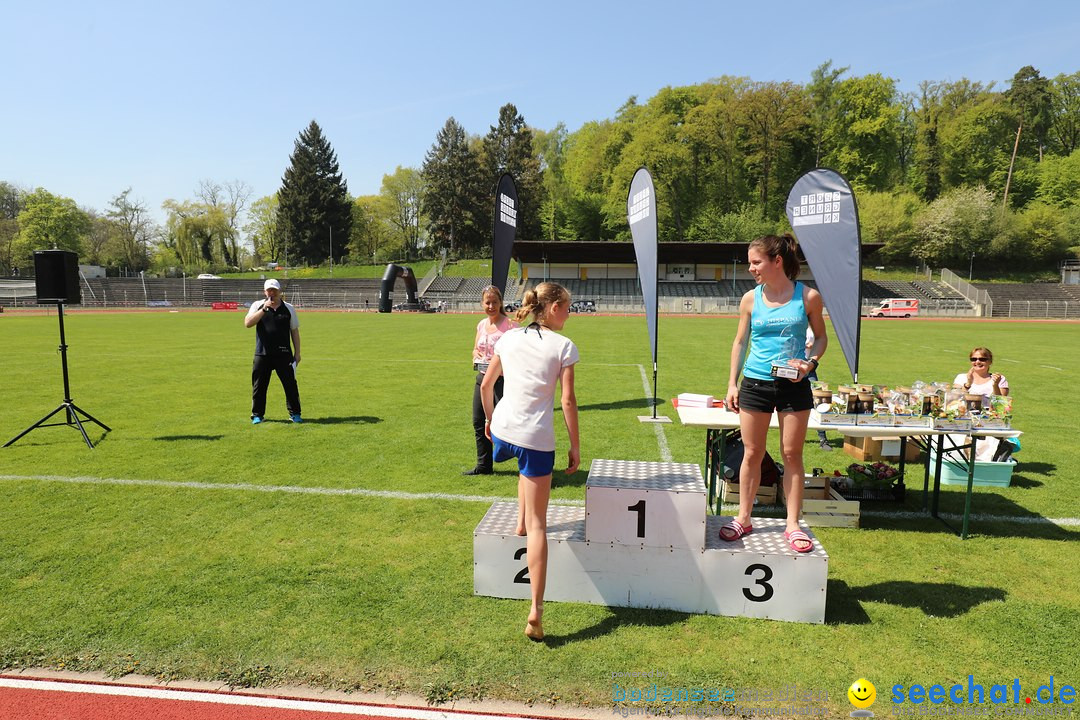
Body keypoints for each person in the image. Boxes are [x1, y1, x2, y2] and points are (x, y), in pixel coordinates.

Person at [481, 282, 580, 641]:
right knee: (542, 524)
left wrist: (491, 421)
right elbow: (567, 402)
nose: (570, 313)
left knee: (524, 475)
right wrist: (575, 447)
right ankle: (535, 611)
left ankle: (519, 523)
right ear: (552, 308)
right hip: (536, 438)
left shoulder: (507, 337)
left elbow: (485, 385)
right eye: (567, 307)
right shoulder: (564, 346)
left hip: (505, 431)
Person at [722, 234, 827, 554]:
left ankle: (793, 524)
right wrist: (732, 383)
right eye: (750, 262)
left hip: (794, 385)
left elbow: (821, 339)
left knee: (792, 454)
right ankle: (744, 517)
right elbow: (740, 343)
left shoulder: (808, 296)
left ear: (777, 261)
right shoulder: (750, 299)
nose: (751, 268)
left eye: (756, 262)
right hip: (755, 383)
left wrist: (809, 364)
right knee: (752, 453)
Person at [465, 286, 519, 475]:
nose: (491, 306)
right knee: (479, 421)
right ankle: (484, 466)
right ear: (482, 303)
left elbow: (517, 354)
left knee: (510, 423)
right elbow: (475, 348)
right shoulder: (481, 325)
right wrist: (475, 355)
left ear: (501, 303)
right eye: (487, 302)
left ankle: (526, 466)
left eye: (494, 302)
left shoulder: (511, 326)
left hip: (503, 381)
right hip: (482, 379)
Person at [244, 278, 302, 424]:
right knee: (259, 386)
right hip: (262, 354)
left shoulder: (288, 308)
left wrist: (297, 353)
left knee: (290, 385)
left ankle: (295, 413)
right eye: (269, 290)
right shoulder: (257, 305)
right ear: (264, 292)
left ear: (279, 291)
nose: (272, 293)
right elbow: (248, 323)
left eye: (274, 290)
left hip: (284, 354)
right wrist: (264, 309)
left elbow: (294, 331)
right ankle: (257, 414)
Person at [953, 347, 1010, 462]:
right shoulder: (961, 377)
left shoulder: (1000, 379)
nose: (977, 362)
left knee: (986, 445)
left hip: (989, 420)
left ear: (990, 361)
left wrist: (995, 385)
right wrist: (968, 383)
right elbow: (954, 400)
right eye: (974, 359)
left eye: (982, 359)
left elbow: (1001, 405)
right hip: (964, 418)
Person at [805, 326, 832, 451]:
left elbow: (821, 341)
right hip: (792, 367)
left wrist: (812, 346)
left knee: (818, 402)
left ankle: (823, 438)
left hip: (809, 368)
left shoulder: (812, 326)